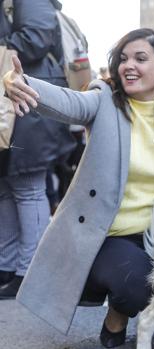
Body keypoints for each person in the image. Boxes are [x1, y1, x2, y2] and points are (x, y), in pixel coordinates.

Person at [3, 28, 154, 348]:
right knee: (137, 287)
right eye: (123, 59)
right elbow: (67, 102)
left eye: (141, 59)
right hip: (111, 235)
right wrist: (21, 82)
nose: (129, 65)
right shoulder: (104, 101)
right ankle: (128, 309)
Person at [0, 0, 75, 299]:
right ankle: (8, 266)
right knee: (7, 187)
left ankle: (29, 270)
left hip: (29, 95)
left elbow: (34, 40)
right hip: (18, 98)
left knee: (27, 185)